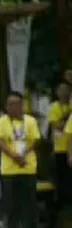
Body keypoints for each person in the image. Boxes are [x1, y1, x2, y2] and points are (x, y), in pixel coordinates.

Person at [0, 91, 41, 228]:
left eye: (16, 104)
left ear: (22, 105)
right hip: (9, 168)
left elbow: (35, 140)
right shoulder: (1, 122)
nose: (12, 107)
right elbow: (0, 141)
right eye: (9, 104)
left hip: (28, 166)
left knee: (30, 200)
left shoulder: (30, 121)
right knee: (11, 201)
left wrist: (24, 154)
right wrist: (14, 155)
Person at [48, 82, 71, 219]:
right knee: (63, 180)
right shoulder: (55, 107)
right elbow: (58, 125)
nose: (65, 92)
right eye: (61, 89)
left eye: (67, 89)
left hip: (70, 148)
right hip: (60, 149)